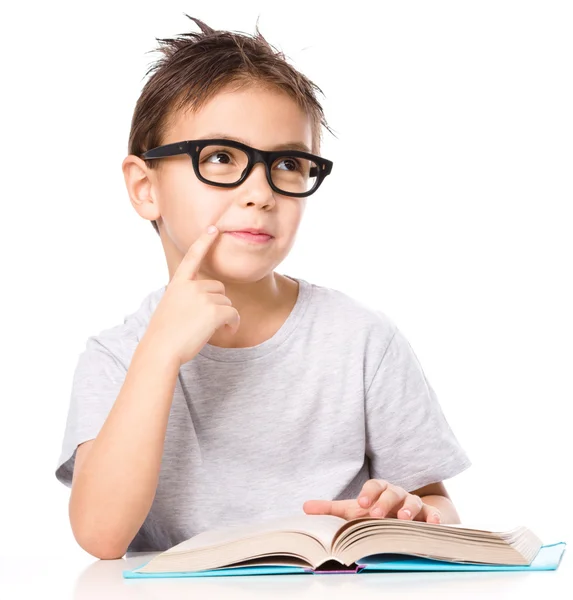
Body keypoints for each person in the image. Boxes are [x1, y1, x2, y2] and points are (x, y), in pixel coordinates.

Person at [55, 15, 472, 560]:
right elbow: (100, 536)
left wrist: (407, 515)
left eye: (289, 163)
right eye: (222, 157)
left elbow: (438, 507)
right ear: (144, 187)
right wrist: (158, 354)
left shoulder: (363, 340)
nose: (261, 192)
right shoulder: (116, 356)